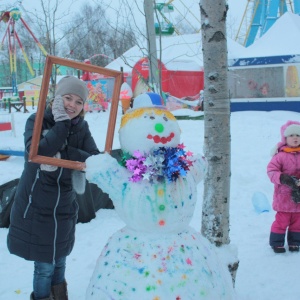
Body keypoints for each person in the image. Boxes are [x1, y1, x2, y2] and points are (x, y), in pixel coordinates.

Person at [7, 76, 100, 300]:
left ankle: (60, 297)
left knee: (60, 261)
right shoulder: (37, 120)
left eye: (79, 102)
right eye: (67, 98)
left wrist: (66, 156)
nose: (72, 105)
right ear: (56, 98)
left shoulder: (83, 128)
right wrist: (63, 125)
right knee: (45, 267)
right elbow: (37, 154)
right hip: (37, 204)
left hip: (65, 206)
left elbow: (95, 159)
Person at [267, 120, 300, 254]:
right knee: (281, 221)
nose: (295, 138)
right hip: (284, 197)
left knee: (297, 223)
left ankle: (294, 242)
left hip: (298, 197)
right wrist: (282, 178)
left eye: (298, 135)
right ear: (285, 138)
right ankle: (277, 243)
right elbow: (271, 171)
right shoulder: (280, 156)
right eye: (291, 135)